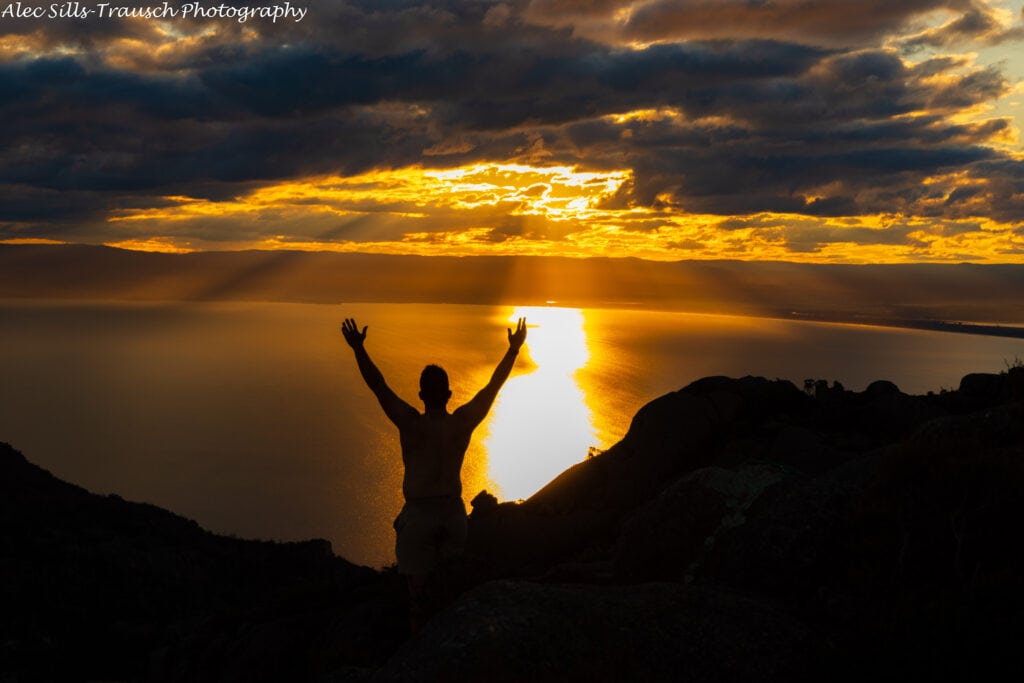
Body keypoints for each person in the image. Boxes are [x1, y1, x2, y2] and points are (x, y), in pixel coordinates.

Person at [340, 315, 527, 629]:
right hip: (454, 516)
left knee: (420, 600)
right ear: (449, 395)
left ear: (421, 395)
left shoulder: (410, 423)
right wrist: (513, 351)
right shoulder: (462, 422)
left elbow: (378, 385)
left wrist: (359, 349)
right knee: (449, 594)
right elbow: (492, 387)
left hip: (420, 517)